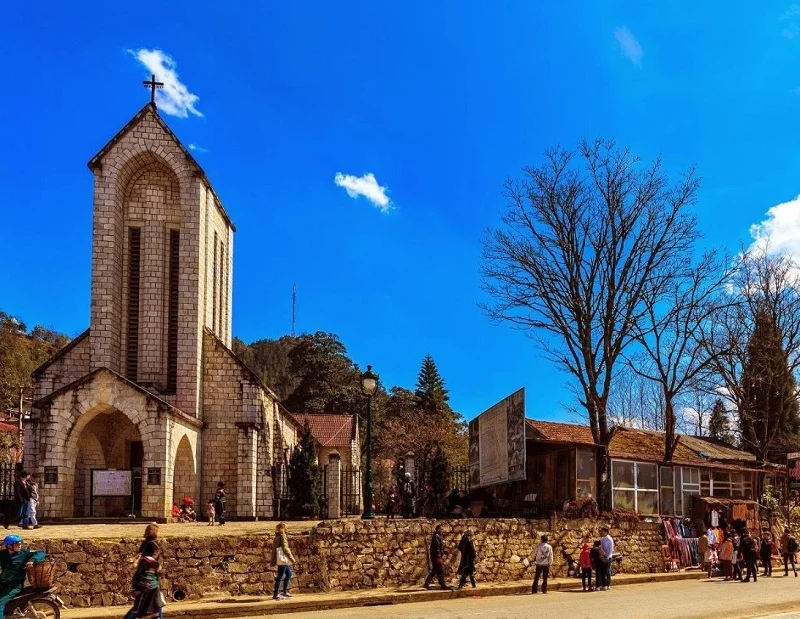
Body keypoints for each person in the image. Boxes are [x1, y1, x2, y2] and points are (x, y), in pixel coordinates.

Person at [124, 523, 164, 619]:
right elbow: (150, 579)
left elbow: (139, 575)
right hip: (150, 588)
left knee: (139, 607)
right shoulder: (153, 551)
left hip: (143, 586)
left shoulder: (144, 550)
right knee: (153, 607)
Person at [0, 534, 45, 616]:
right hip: (3, 583)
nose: (20, 546)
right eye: (17, 544)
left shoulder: (24, 553)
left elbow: (41, 553)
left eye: (20, 543)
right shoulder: (3, 554)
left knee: (0, 602)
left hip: (14, 586)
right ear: (9, 546)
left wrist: (32, 560)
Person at [272, 522, 296, 600]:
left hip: (280, 558)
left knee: (288, 574)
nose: (286, 529)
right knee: (280, 577)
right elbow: (285, 548)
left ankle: (284, 591)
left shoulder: (277, 536)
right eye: (285, 528)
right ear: (283, 528)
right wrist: (292, 558)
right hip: (283, 559)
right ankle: (276, 594)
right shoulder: (282, 536)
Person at [424, 525, 450, 590]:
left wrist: (444, 552)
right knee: (440, 570)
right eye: (441, 529)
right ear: (438, 529)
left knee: (434, 571)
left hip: (435, 556)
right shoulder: (436, 536)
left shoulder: (437, 536)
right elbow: (437, 547)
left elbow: (439, 547)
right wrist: (439, 556)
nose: (442, 530)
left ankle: (426, 584)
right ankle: (443, 585)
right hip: (436, 557)